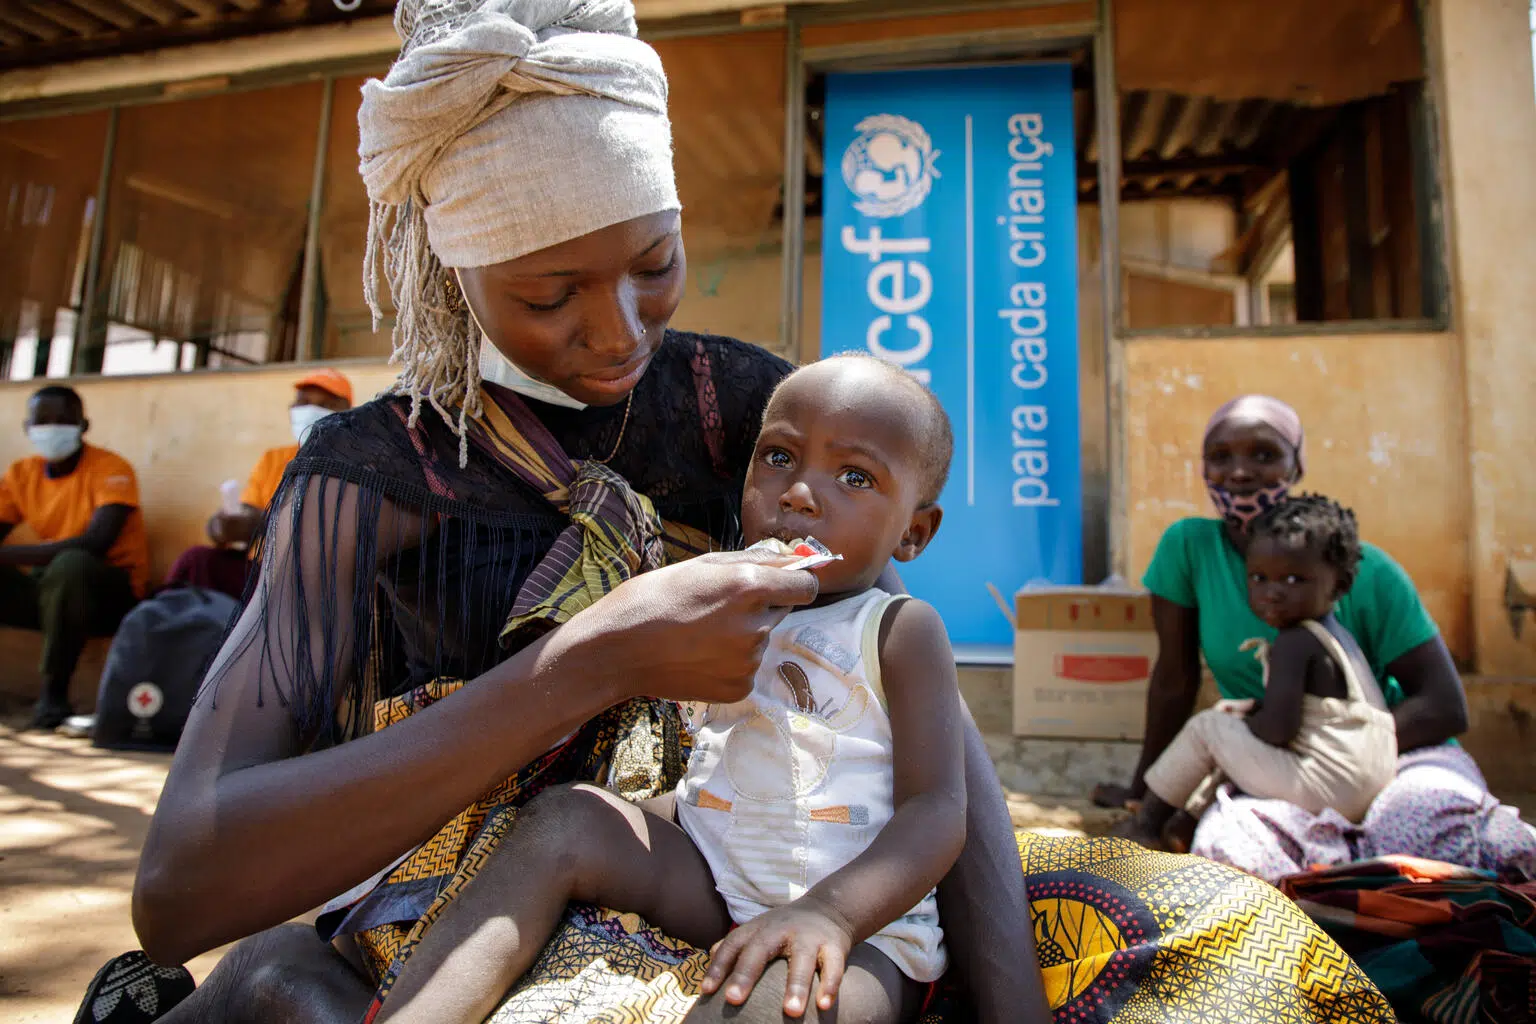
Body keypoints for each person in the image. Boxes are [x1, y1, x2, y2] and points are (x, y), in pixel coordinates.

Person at [82, 5, 1394, 1024]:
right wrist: (589, 664)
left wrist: (1000, 1004)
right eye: (550, 296)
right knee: (271, 994)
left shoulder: (746, 418)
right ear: (457, 266)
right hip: (524, 877)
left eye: (653, 265)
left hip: (794, 874)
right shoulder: (368, 485)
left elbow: (928, 748)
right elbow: (179, 885)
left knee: (1229, 946)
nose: (616, 335)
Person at [376, 356, 965, 1024]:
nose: (799, 493)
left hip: (860, 935)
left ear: (914, 532)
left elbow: (937, 809)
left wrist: (830, 913)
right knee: (565, 818)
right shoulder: (725, 604)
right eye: (777, 458)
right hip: (713, 880)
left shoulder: (897, 630)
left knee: (781, 1006)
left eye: (854, 476)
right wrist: (623, 819)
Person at [1096, 394, 1536, 882]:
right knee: (1235, 853)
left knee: (1430, 835)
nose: (1240, 473)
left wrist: (1352, 760)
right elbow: (1174, 680)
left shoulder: (1364, 570)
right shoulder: (1189, 548)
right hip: (1284, 763)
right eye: (1221, 457)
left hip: (1399, 751)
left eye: (1264, 454)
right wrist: (1143, 790)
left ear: (1296, 465)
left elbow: (1444, 704)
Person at [1116, 494, 1396, 850]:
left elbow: (1278, 731)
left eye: (1293, 580)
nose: (1272, 593)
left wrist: (1245, 725)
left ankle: (1146, 824)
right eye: (1259, 578)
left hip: (1327, 787)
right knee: (1232, 737)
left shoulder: (1295, 643)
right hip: (1366, 786)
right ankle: (1183, 825)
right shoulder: (1338, 639)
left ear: (1339, 585)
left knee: (1209, 729)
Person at [0, 385, 149, 730]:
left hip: (110, 592)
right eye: (43, 420)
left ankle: (54, 694)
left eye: (63, 419)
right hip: (52, 588)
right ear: (27, 428)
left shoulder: (111, 468)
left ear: (83, 425)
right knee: (60, 570)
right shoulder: (21, 474)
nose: (52, 428)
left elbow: (97, 541)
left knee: (72, 564)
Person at [162, 369, 353, 598]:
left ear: (347, 414)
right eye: (302, 402)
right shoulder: (273, 459)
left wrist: (265, 524)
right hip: (260, 571)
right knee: (196, 560)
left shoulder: (356, 464)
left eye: (325, 404)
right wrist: (222, 527)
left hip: (311, 581)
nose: (309, 411)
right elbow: (246, 515)